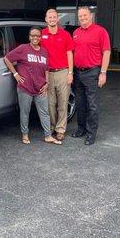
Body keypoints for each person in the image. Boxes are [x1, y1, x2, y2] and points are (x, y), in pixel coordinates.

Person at [4, 27, 62, 145]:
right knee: (25, 112)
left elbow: (46, 69)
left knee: (44, 112)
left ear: (40, 37)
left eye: (37, 36)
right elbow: (7, 58)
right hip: (25, 88)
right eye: (33, 35)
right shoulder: (23, 49)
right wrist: (15, 74)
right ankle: (25, 135)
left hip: (40, 87)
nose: (35, 38)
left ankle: (48, 136)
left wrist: (47, 83)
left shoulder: (44, 51)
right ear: (29, 37)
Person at [71, 7, 111, 145]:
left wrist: (103, 73)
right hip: (78, 72)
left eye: (85, 15)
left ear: (91, 15)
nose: (82, 18)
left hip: (92, 72)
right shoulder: (75, 32)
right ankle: (81, 129)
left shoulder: (100, 31)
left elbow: (106, 52)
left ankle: (91, 133)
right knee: (80, 103)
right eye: (80, 16)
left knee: (92, 105)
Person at [40, 9, 74, 141]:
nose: (52, 19)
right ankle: (52, 127)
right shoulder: (42, 34)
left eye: (54, 17)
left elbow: (69, 53)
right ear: (46, 19)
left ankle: (60, 129)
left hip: (63, 72)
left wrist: (70, 73)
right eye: (50, 17)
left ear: (57, 19)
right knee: (50, 103)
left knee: (63, 102)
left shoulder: (65, 34)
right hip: (48, 73)